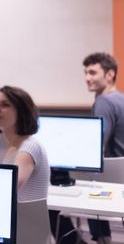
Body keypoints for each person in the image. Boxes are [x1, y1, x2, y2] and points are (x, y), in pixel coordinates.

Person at [83, 52, 124, 244]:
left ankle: (102, 238)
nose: (87, 78)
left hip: (113, 176)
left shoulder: (103, 102)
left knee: (86, 174)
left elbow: (96, 147)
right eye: (85, 73)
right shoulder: (121, 99)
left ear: (110, 74)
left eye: (92, 72)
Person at [0, 86, 50, 201]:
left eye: (5, 105)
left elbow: (9, 188)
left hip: (25, 219)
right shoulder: (14, 147)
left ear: (21, 112)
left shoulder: (29, 147)